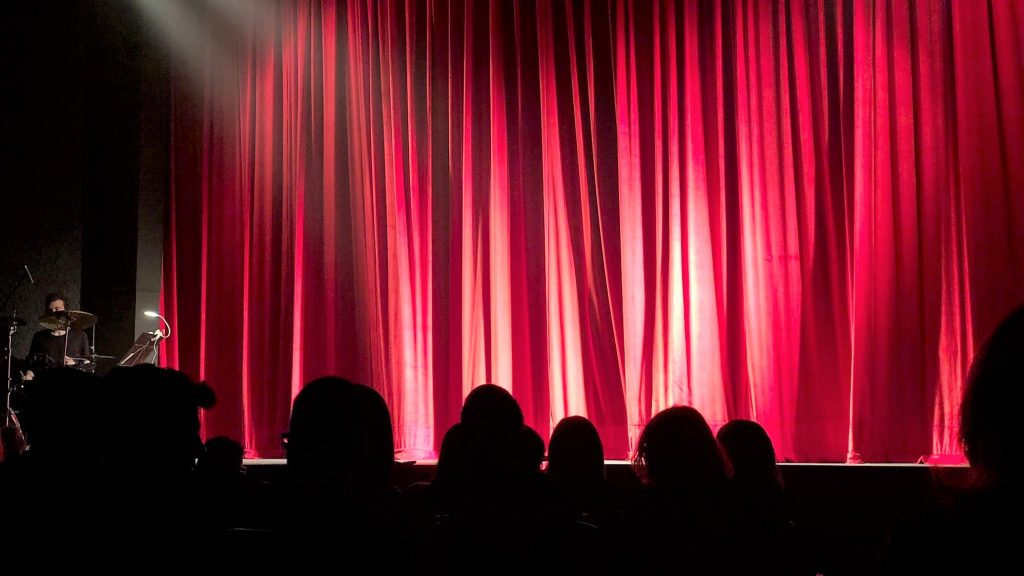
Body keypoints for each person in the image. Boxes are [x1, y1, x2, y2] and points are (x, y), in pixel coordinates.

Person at [23, 293, 91, 380]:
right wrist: (29, 374)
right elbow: (31, 364)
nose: (54, 313)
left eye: (57, 309)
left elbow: (87, 364)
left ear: (66, 311)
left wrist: (75, 364)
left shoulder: (80, 336)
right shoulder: (39, 337)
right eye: (50, 310)